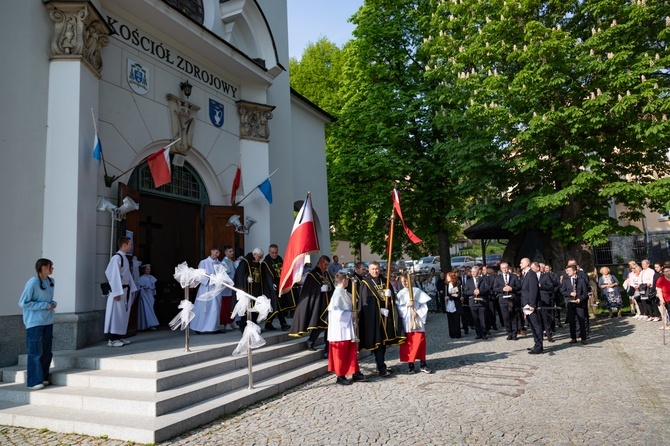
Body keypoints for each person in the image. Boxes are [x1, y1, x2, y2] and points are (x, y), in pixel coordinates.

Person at [359, 261, 405, 377]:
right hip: (375, 319)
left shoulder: (385, 281)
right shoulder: (366, 283)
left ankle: (381, 364)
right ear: (369, 270)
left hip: (386, 317)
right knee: (378, 342)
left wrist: (390, 296)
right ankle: (381, 367)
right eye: (373, 269)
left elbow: (392, 299)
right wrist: (378, 310)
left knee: (384, 342)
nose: (376, 271)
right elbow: (366, 302)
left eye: (377, 268)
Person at [19, 258, 57, 390]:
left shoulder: (51, 281)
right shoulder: (33, 283)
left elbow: (48, 300)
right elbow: (23, 303)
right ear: (43, 268)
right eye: (50, 266)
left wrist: (53, 304)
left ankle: (43, 377)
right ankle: (34, 381)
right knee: (35, 351)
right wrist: (45, 306)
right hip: (34, 323)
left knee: (47, 352)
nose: (52, 269)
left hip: (47, 321)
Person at [289, 255, 333, 356]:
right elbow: (309, 290)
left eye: (327, 265)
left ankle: (327, 349)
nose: (326, 267)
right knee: (319, 325)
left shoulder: (325, 273)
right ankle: (311, 342)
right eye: (325, 264)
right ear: (320, 262)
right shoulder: (312, 274)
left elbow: (331, 287)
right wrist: (320, 289)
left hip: (327, 304)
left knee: (326, 326)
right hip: (317, 303)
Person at [327, 272, 366, 385]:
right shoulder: (337, 295)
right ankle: (340, 376)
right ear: (344, 280)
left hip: (347, 328)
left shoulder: (344, 293)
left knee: (351, 351)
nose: (348, 282)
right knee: (340, 354)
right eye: (347, 280)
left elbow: (353, 302)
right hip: (339, 331)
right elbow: (337, 314)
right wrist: (351, 314)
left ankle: (355, 372)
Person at [234, 248, 278, 332]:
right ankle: (243, 326)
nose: (260, 258)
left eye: (261, 257)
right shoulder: (245, 262)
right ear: (254, 255)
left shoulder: (258, 264)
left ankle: (253, 325)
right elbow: (239, 275)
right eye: (259, 256)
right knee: (246, 308)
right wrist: (246, 278)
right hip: (248, 289)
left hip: (256, 289)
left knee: (255, 308)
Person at [104, 236, 137, 347]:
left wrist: (131, 288)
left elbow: (126, 275)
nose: (131, 246)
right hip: (119, 291)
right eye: (130, 244)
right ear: (124, 245)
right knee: (116, 315)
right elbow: (112, 275)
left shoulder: (124, 258)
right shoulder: (117, 258)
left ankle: (120, 337)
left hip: (124, 290)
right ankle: (112, 339)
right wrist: (116, 292)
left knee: (122, 315)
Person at [396, 275, 432, 374]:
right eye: (403, 281)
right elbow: (398, 309)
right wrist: (406, 306)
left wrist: (418, 312)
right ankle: (410, 365)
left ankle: (423, 364)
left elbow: (424, 306)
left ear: (411, 280)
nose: (405, 283)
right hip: (407, 322)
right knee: (408, 345)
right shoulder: (400, 294)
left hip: (417, 321)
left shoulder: (417, 291)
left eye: (406, 281)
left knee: (420, 343)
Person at [190, 246, 224, 334]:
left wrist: (219, 279)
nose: (217, 254)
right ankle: (199, 327)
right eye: (216, 252)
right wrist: (209, 279)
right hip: (206, 287)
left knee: (215, 308)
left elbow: (222, 274)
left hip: (215, 288)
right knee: (203, 307)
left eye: (219, 253)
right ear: (211, 251)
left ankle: (213, 327)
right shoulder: (204, 262)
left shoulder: (219, 263)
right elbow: (200, 275)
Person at [261, 244, 293, 331]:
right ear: (269, 252)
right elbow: (266, 276)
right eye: (272, 253)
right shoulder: (266, 262)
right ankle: (283, 323)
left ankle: (268, 324)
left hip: (281, 286)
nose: (274, 254)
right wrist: (271, 283)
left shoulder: (279, 259)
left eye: (275, 252)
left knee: (279, 305)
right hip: (271, 288)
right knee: (277, 305)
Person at [561, 265, 589, 345]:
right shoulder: (565, 280)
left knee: (581, 321)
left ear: (574, 271)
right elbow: (562, 291)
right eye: (567, 271)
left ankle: (583, 338)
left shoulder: (581, 280)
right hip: (570, 302)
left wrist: (580, 299)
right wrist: (570, 293)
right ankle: (573, 337)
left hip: (579, 303)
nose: (567, 272)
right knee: (571, 321)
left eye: (569, 270)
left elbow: (585, 293)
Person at [492, 262, 520, 341]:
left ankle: (515, 333)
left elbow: (519, 286)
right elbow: (495, 288)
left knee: (513, 316)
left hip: (512, 298)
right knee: (506, 317)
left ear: (508, 268)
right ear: (501, 269)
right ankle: (509, 333)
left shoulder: (514, 276)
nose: (505, 269)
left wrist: (511, 288)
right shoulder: (498, 278)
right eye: (503, 268)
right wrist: (502, 289)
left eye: (506, 267)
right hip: (503, 299)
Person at [520, 258, 542, 354]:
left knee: (535, 325)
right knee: (531, 325)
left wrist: (532, 304)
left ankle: (539, 346)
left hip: (530, 304)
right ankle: (536, 343)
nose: (520, 264)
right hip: (526, 304)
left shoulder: (531, 274)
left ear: (527, 264)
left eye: (522, 262)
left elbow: (533, 290)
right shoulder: (525, 274)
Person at [463, 266, 488, 339]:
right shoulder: (469, 281)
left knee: (482, 318)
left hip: (481, 301)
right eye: (472, 272)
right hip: (472, 302)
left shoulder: (483, 279)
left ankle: (484, 333)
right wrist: (473, 292)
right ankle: (478, 333)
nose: (473, 273)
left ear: (478, 272)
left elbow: (487, 289)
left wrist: (480, 291)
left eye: (474, 272)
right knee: (475, 318)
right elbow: (466, 291)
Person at [537, 262, 559, 342]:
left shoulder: (546, 276)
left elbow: (551, 287)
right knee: (538, 319)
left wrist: (541, 286)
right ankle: (540, 337)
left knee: (546, 318)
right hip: (536, 300)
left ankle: (549, 335)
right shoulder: (532, 276)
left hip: (545, 299)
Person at [137, 264, 160, 331]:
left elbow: (153, 286)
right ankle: (145, 324)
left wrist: (152, 289)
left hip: (150, 295)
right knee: (145, 309)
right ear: (143, 270)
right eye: (147, 269)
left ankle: (151, 324)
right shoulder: (141, 278)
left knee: (151, 308)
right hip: (144, 295)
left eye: (149, 269)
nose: (148, 270)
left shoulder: (151, 277)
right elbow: (140, 287)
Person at [219, 245, 236, 331]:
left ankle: (231, 321)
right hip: (226, 287)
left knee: (231, 304)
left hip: (231, 286)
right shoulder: (223, 263)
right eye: (230, 251)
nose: (232, 253)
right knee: (226, 305)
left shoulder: (231, 261)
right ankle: (226, 322)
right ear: (225, 252)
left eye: (232, 251)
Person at [445, 272, 464, 338]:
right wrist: (449, 296)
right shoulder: (446, 285)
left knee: (456, 320)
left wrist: (449, 297)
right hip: (448, 304)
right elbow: (450, 294)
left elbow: (456, 295)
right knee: (450, 320)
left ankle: (457, 333)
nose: (447, 278)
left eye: (448, 276)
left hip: (455, 304)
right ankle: (452, 334)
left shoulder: (455, 285)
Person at [655, 264, 670, 330]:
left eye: (669, 271)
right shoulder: (661, 279)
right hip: (667, 298)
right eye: (666, 271)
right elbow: (659, 290)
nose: (668, 272)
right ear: (663, 273)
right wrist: (661, 299)